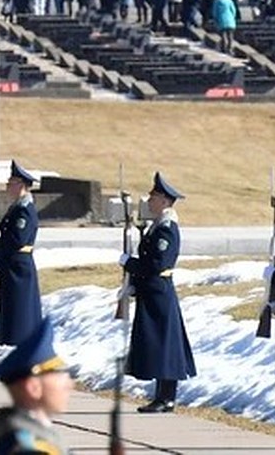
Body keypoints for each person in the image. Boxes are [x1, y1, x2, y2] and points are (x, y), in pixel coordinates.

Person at [122, 171, 196, 414]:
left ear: (165, 201)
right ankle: (162, 396)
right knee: (158, 343)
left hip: (159, 292)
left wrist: (129, 264)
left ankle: (167, 397)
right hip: (151, 291)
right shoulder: (156, 227)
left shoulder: (166, 229)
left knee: (164, 344)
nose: (149, 201)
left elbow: (157, 264)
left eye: (153, 197)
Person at [0, 315, 73, 455]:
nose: (69, 386)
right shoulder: (30, 447)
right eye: (60, 378)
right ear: (33, 388)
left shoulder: (34, 436)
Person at [0, 160, 43, 346]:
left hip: (19, 268)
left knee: (21, 313)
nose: (7, 187)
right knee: (12, 312)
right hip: (11, 265)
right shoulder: (17, 208)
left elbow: (17, 240)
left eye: (11, 183)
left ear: (21, 185)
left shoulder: (24, 211)